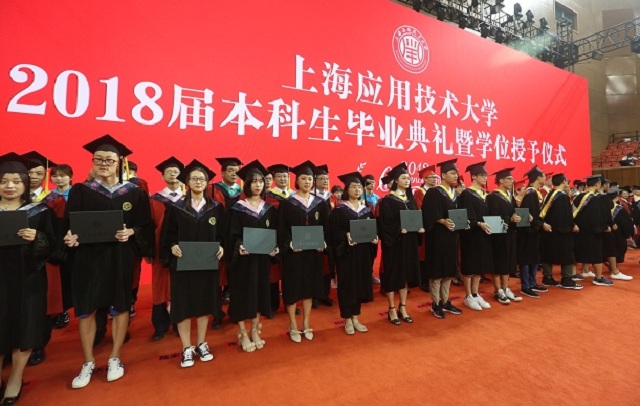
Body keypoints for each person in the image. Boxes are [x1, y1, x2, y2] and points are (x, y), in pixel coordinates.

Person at [64, 135, 154, 388]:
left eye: (109, 160)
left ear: (119, 163)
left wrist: (132, 232)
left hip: (119, 256)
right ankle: (88, 361)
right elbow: (68, 224)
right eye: (99, 160)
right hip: (88, 258)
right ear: (93, 162)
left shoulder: (133, 193)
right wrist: (69, 237)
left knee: (120, 306)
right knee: (87, 309)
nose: (104, 164)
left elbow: (145, 225)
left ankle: (115, 357)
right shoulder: (81, 191)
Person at [0, 153, 54, 405]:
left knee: (25, 325)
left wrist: (37, 238)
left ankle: (15, 378)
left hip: (27, 278)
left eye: (16, 181)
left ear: (25, 183)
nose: (9, 186)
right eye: (3, 181)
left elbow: (53, 246)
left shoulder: (40, 211)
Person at [160, 159, 224, 367]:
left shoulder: (215, 208)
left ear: (207, 182)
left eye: (202, 179)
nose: (198, 182)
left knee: (204, 302)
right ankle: (187, 347)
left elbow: (222, 234)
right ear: (187, 182)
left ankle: (202, 343)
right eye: (194, 178)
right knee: (184, 304)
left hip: (207, 263)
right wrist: (172, 246)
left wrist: (222, 247)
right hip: (183, 264)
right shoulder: (176, 207)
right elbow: (168, 234)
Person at [227, 160, 279, 351]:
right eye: (254, 181)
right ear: (247, 184)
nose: (258, 185)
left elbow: (274, 233)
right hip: (243, 260)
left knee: (259, 293)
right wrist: (239, 246)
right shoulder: (237, 208)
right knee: (242, 294)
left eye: (261, 181)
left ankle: (255, 329)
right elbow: (231, 235)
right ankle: (242, 332)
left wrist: (275, 248)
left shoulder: (268, 209)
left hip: (261, 259)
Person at [277, 161, 329, 343]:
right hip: (294, 253)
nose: (308, 182)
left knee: (308, 288)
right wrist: (289, 243)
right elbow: (281, 229)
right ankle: (292, 324)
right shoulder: (287, 204)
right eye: (304, 178)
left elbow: (326, 227)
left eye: (310, 179)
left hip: (312, 253)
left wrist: (323, 242)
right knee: (292, 288)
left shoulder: (320, 203)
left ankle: (306, 322)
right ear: (297, 181)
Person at [328, 172, 377, 335]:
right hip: (346, 255)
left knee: (360, 284)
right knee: (347, 285)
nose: (357, 190)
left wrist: (374, 237)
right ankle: (347, 319)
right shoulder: (339, 211)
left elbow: (372, 229)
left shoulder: (366, 210)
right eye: (353, 187)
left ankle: (356, 317)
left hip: (363, 254)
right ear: (346, 189)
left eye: (359, 187)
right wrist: (345, 236)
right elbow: (332, 233)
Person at [377, 162, 423, 325]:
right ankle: (391, 308)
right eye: (404, 178)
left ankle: (402, 307)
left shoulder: (410, 200)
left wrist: (419, 228)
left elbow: (415, 218)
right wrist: (398, 229)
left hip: (409, 242)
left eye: (408, 178)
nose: (407, 180)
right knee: (393, 275)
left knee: (405, 276)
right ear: (396, 181)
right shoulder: (387, 201)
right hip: (394, 244)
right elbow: (385, 224)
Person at [148, 157, 185, 341]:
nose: (173, 174)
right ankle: (160, 326)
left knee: (180, 284)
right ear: (162, 176)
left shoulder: (188, 200)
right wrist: (148, 250)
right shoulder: (154, 200)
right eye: (169, 172)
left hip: (183, 249)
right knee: (160, 286)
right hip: (159, 248)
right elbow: (149, 226)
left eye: (176, 171)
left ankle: (180, 323)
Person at [422, 158, 462, 319]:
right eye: (452, 173)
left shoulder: (455, 194)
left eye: (456, 173)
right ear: (443, 175)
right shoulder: (434, 192)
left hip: (452, 237)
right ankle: (435, 303)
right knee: (437, 271)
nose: (456, 176)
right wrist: (442, 221)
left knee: (449, 271)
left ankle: (445, 301)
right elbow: (428, 213)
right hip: (438, 237)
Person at [210, 157, 243, 328]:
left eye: (236, 171)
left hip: (236, 238)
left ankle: (236, 311)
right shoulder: (212, 189)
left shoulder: (242, 191)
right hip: (219, 237)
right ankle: (216, 315)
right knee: (216, 279)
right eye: (230, 170)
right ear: (222, 172)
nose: (234, 174)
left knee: (237, 277)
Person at [458, 162, 495, 309]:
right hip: (471, 235)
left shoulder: (484, 194)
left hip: (484, 234)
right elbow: (466, 215)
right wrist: (478, 223)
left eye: (486, 175)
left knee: (480, 264)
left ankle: (475, 293)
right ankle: (468, 295)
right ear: (473, 176)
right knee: (470, 265)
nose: (485, 178)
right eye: (482, 175)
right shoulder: (467, 194)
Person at [538, 174, 583, 290]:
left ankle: (547, 277)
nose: (568, 183)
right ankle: (567, 279)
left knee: (548, 254)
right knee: (567, 255)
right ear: (563, 182)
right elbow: (565, 215)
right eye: (567, 181)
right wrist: (572, 226)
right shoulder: (562, 196)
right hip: (562, 232)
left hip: (549, 230)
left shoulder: (550, 194)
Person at [486, 168, 524, 300]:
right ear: (501, 180)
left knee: (508, 261)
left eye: (512, 179)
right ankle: (498, 290)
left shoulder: (510, 196)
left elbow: (514, 211)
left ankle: (505, 288)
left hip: (510, 233)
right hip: (498, 234)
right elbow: (493, 216)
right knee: (499, 262)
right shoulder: (492, 197)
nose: (512, 181)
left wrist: (523, 216)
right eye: (509, 179)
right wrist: (509, 219)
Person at [573, 175, 613, 286]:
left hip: (579, 230)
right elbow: (596, 217)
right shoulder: (595, 199)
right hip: (593, 231)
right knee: (596, 254)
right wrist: (605, 227)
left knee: (578, 252)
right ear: (597, 184)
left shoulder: (578, 197)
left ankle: (575, 273)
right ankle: (598, 277)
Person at [265, 163, 292, 317]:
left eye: (285, 176)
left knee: (290, 272)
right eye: (279, 176)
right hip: (274, 237)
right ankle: (272, 305)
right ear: (274, 178)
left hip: (290, 238)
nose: (283, 179)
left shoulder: (294, 196)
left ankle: (290, 302)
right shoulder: (268, 196)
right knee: (273, 275)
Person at [517, 166, 548, 299]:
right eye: (544, 176)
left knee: (534, 257)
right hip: (528, 232)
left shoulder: (535, 192)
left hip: (535, 231)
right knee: (527, 258)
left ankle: (533, 282)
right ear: (538, 178)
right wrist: (540, 224)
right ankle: (526, 285)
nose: (545, 178)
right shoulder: (530, 193)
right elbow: (529, 215)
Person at [604, 189, 634, 281]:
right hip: (617, 235)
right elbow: (626, 224)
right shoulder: (619, 209)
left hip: (604, 233)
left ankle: (612, 266)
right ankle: (615, 270)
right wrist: (627, 234)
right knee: (616, 251)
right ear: (617, 197)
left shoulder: (602, 207)